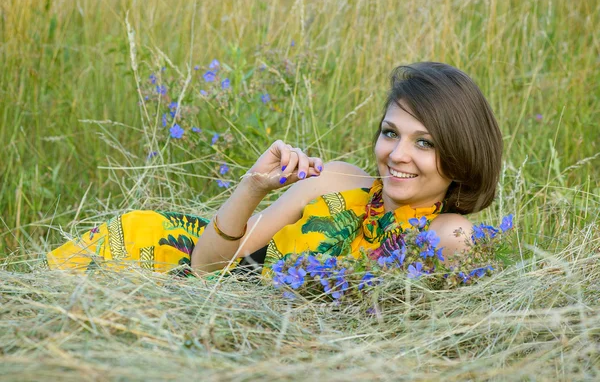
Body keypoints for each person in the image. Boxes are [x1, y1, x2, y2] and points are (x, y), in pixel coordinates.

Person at [47, 62, 503, 279]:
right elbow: (207, 265)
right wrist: (253, 186)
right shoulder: (341, 178)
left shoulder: (450, 235)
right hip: (201, 273)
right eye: (390, 133)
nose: (397, 154)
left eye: (424, 142)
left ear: (461, 154)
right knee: (132, 232)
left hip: (243, 318)